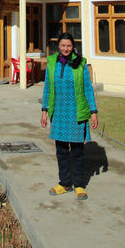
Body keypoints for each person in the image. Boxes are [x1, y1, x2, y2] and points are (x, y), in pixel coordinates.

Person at [40, 32, 98, 200]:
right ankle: (65, 182)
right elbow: (47, 88)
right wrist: (44, 110)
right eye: (63, 45)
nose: (65, 49)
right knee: (61, 150)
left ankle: (79, 184)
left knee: (78, 151)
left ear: (73, 47)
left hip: (76, 112)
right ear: (58, 46)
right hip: (58, 112)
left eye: (69, 46)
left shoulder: (80, 64)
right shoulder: (52, 62)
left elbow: (87, 88)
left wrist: (93, 112)